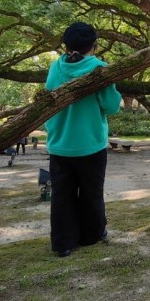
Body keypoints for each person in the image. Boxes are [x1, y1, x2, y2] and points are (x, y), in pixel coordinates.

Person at [44, 22, 122, 257]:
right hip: (90, 144)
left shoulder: (55, 68)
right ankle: (92, 234)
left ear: (66, 45)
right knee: (91, 192)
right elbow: (111, 106)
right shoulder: (99, 69)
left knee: (61, 194)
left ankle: (63, 243)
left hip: (59, 143)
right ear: (94, 46)